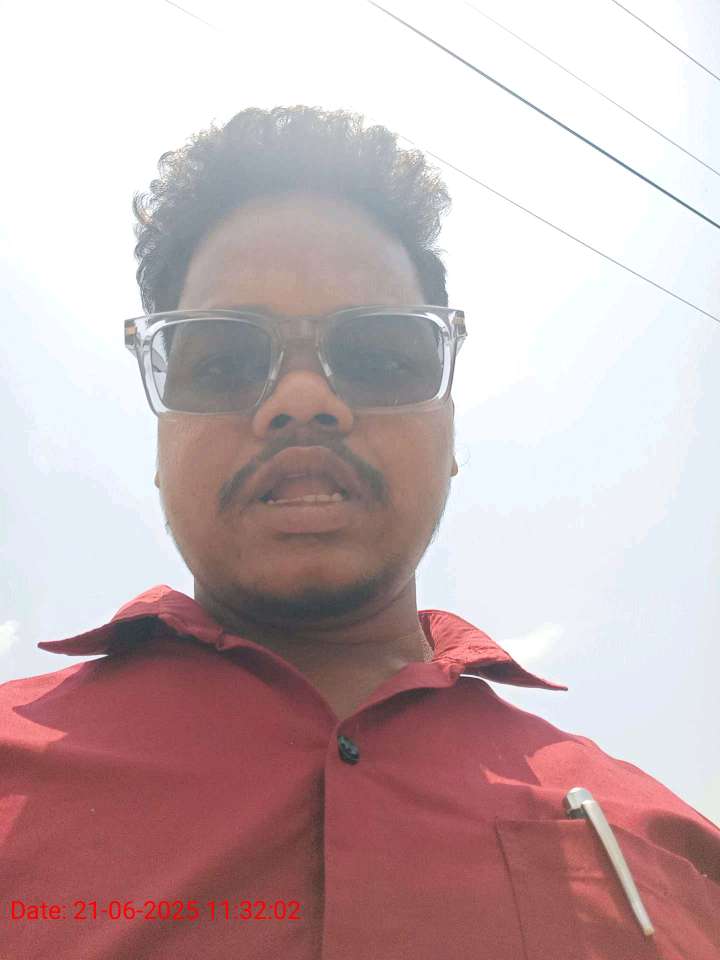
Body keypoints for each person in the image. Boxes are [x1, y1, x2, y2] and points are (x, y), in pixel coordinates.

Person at [0, 105, 717, 960]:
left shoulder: (678, 850)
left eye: (379, 358)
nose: (303, 400)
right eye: (222, 363)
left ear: (451, 433)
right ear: (160, 447)